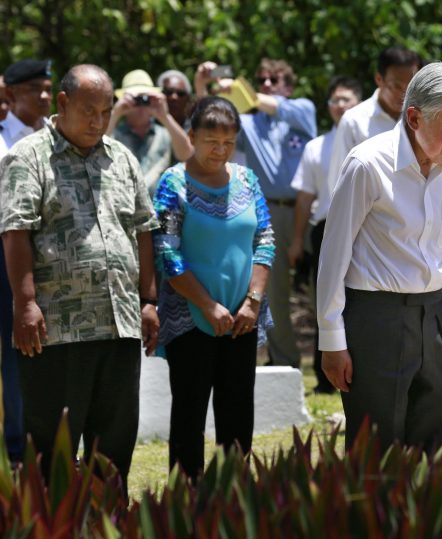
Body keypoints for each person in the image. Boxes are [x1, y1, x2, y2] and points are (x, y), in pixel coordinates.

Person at [0, 64, 159, 491]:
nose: (98, 121)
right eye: (89, 110)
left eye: (106, 111)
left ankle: (107, 518)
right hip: (56, 329)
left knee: (115, 441)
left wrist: (148, 301)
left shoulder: (121, 157)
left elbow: (144, 230)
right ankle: (55, 522)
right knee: (52, 447)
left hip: (118, 322)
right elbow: (15, 230)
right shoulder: (28, 156)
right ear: (64, 103)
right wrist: (25, 303)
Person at [317, 62, 442, 453]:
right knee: (377, 449)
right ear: (414, 116)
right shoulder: (367, 164)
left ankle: (428, 516)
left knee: (436, 443)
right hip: (376, 320)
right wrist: (331, 339)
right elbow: (333, 256)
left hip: (433, 316)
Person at [153, 96, 275, 480]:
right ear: (191, 136)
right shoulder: (174, 182)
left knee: (238, 410)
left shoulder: (246, 179)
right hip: (191, 317)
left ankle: (232, 495)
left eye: (228, 143)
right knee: (189, 412)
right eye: (211, 142)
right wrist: (207, 306)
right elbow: (168, 254)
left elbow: (266, 238)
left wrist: (252, 302)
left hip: (243, 315)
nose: (220, 151)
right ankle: (186, 499)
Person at [231, 57, 316, 368]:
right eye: (261, 79)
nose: (266, 84)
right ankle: (285, 360)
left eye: (274, 79)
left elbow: (278, 106)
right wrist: (205, 89)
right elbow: (205, 128)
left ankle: (328, 366)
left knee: (327, 292)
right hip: (271, 213)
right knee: (275, 293)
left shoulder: (302, 111)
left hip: (310, 211)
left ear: (288, 87)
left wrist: (245, 93)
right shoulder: (249, 122)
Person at [289, 76, 362, 394]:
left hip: (364, 228)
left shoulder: (374, 137)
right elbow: (305, 197)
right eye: (334, 100)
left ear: (360, 101)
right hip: (325, 227)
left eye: (346, 99)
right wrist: (296, 238)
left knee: (358, 299)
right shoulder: (315, 146)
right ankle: (324, 378)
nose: (340, 106)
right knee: (327, 298)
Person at [0, 58, 53, 463]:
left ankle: (48, 443)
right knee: (16, 354)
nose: (45, 95)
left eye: (49, 87)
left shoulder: (56, 137)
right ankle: (17, 448)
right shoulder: (2, 140)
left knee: (46, 351)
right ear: (10, 93)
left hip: (51, 257)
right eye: (35, 87)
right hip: (6, 259)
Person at [326, 46, 422, 190]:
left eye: (411, 86)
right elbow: (339, 181)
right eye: (396, 86)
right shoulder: (354, 121)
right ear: (379, 79)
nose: (405, 94)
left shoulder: (424, 118)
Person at [107, 69, 193, 194]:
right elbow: (95, 149)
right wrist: (115, 113)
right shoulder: (112, 134)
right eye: (136, 99)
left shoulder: (166, 133)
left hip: (158, 210)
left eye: (146, 98)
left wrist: (165, 116)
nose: (141, 105)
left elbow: (187, 155)